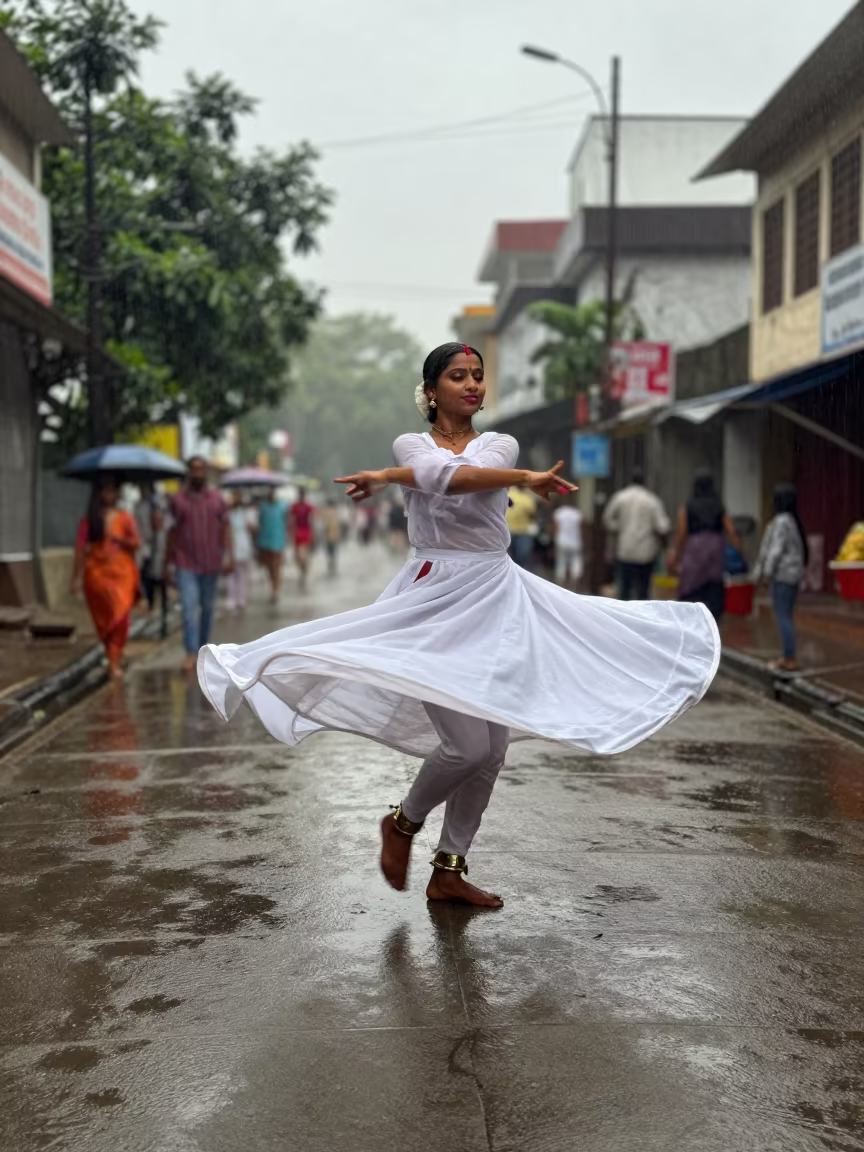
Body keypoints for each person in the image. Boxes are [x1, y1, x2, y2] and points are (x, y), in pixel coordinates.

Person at [198, 343, 719, 908]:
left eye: (477, 376)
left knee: (491, 748)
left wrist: (416, 476)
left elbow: (469, 475)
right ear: (430, 390)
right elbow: (436, 476)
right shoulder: (411, 444)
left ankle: (449, 868)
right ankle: (402, 823)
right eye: (457, 376)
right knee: (468, 745)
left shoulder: (501, 444)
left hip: (495, 593)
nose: (472, 385)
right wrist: (503, 477)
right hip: (432, 598)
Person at [71, 476, 141, 681]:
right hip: (96, 575)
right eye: (106, 490)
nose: (109, 495)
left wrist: (119, 540)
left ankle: (114, 660)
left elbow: (136, 543)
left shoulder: (125, 517)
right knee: (104, 619)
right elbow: (80, 549)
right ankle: (112, 654)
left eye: (113, 490)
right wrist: (75, 578)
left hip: (122, 575)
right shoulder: (90, 520)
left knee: (120, 618)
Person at [168, 457, 232, 672]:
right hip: (185, 562)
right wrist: (166, 562)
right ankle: (190, 652)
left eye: (200, 470)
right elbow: (172, 532)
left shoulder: (216, 500)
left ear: (205, 473)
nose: (197, 474)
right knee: (188, 608)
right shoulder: (177, 500)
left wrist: (229, 555)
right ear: (188, 472)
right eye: (193, 470)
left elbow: (225, 527)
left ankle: (203, 648)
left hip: (211, 562)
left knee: (207, 608)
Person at [669, 470, 744, 622]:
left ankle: (693, 618)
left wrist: (675, 556)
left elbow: (682, 533)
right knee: (714, 586)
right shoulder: (718, 505)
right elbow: (730, 529)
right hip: (716, 551)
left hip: (694, 550)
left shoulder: (688, 506)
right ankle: (713, 623)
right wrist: (739, 551)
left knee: (692, 588)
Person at [753, 484, 808, 672]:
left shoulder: (782, 521)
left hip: (783, 575)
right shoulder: (791, 521)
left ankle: (789, 658)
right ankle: (788, 655)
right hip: (791, 575)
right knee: (786, 615)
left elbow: (775, 550)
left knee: (782, 616)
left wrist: (766, 574)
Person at [603, 469, 670, 600]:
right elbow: (663, 526)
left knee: (624, 590)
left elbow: (607, 518)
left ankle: (623, 616)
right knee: (643, 591)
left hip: (625, 550)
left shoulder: (621, 497)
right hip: (646, 552)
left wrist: (618, 528)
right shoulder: (652, 500)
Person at [134, 483, 170, 638]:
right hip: (146, 554)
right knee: (147, 587)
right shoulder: (139, 507)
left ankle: (163, 623)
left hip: (161, 556)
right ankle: (150, 615)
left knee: (162, 590)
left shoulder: (163, 506)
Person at [256, 488, 288, 604]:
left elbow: (286, 523)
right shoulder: (263, 507)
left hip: (278, 541)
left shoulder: (282, 506)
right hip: (265, 541)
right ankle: (273, 587)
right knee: (269, 567)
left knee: (276, 566)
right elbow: (260, 523)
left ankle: (275, 590)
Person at [227, 492, 257, 613]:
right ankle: (233, 599)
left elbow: (253, 528)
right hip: (233, 545)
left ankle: (240, 599)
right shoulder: (228, 515)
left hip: (243, 545)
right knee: (233, 574)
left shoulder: (246, 514)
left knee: (241, 574)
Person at [552, 493, 584, 587]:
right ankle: (574, 579)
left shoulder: (559, 512)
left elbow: (555, 528)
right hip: (575, 541)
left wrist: (554, 539)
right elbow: (581, 528)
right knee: (576, 560)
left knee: (561, 560)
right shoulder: (577, 513)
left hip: (561, 540)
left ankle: (560, 579)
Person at [506, 485, 537, 569]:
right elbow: (532, 514)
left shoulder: (510, 493)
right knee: (521, 558)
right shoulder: (527, 497)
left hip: (519, 531)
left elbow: (532, 513)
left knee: (517, 558)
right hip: (514, 531)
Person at [290, 488, 315, 590]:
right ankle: (302, 571)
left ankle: (303, 573)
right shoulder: (294, 507)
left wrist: (314, 535)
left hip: (306, 533)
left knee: (304, 556)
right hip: (297, 533)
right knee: (298, 557)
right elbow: (291, 520)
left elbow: (312, 520)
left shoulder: (308, 506)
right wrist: (291, 532)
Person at [319, 498, 343, 577]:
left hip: (328, 535)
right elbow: (339, 523)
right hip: (334, 534)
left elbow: (323, 523)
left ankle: (330, 561)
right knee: (333, 549)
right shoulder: (336, 512)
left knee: (329, 549)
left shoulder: (325, 511)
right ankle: (332, 561)